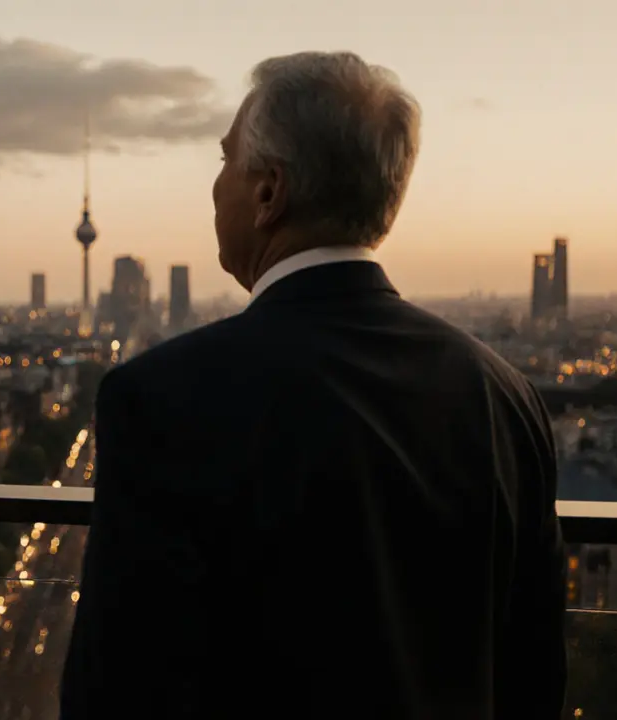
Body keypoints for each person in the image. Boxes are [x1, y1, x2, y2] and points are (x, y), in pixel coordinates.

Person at [61, 52, 565, 719]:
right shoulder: (504, 395)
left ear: (268, 193)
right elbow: (536, 673)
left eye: (224, 162)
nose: (215, 188)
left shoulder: (161, 398)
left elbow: (118, 684)